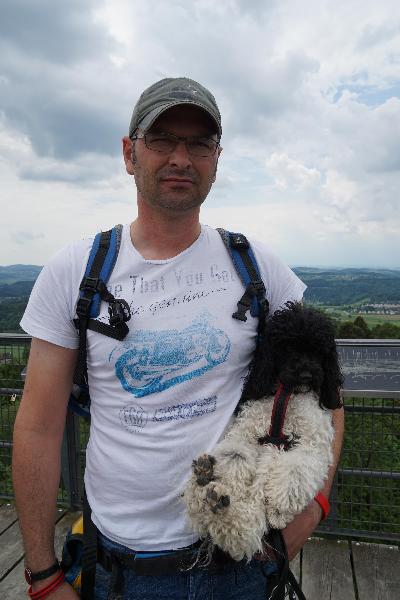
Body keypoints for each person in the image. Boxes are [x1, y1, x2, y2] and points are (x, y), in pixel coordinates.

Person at [13, 77, 344, 599]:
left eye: (199, 143)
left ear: (217, 159)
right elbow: (37, 427)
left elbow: (326, 396)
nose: (181, 158)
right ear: (130, 153)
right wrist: (42, 574)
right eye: (162, 139)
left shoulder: (258, 267)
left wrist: (314, 508)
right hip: (122, 568)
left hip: (243, 558)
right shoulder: (73, 272)